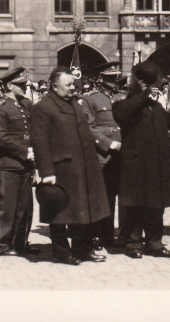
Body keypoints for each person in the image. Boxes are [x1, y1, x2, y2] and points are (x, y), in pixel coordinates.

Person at [112, 60, 170, 259]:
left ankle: (154, 243)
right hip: (137, 166)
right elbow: (126, 113)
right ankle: (133, 243)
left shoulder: (155, 107)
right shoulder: (122, 105)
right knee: (135, 206)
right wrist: (140, 93)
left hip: (157, 166)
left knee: (157, 207)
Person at [31, 68, 111, 265]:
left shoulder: (74, 103)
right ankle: (61, 253)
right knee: (58, 210)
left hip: (83, 166)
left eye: (73, 84)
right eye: (68, 85)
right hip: (61, 168)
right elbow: (40, 142)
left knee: (82, 209)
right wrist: (46, 171)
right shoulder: (43, 107)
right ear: (54, 86)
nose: (73, 88)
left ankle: (83, 249)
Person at [0, 67, 38, 257]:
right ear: (9, 85)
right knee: (6, 206)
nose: (25, 87)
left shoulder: (26, 104)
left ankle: (20, 242)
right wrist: (25, 151)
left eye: (25, 84)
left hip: (25, 164)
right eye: (20, 84)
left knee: (24, 207)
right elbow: (1, 138)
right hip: (7, 163)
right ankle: (0, 245)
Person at [81, 61, 126, 249]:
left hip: (123, 153)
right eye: (110, 78)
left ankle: (120, 235)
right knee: (103, 196)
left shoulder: (123, 97)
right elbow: (88, 128)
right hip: (103, 154)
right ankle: (99, 235)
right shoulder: (90, 99)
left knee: (122, 196)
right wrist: (109, 144)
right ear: (100, 79)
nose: (114, 81)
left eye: (116, 77)